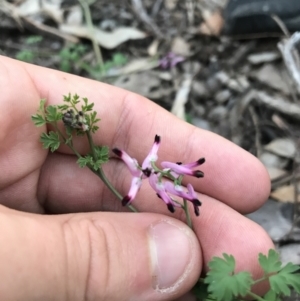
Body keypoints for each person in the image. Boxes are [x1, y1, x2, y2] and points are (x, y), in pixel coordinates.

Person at [0, 55, 273, 301]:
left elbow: (155, 165)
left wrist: (173, 182)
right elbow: (137, 177)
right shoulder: (142, 178)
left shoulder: (160, 174)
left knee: (175, 179)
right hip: (155, 184)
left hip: (165, 180)